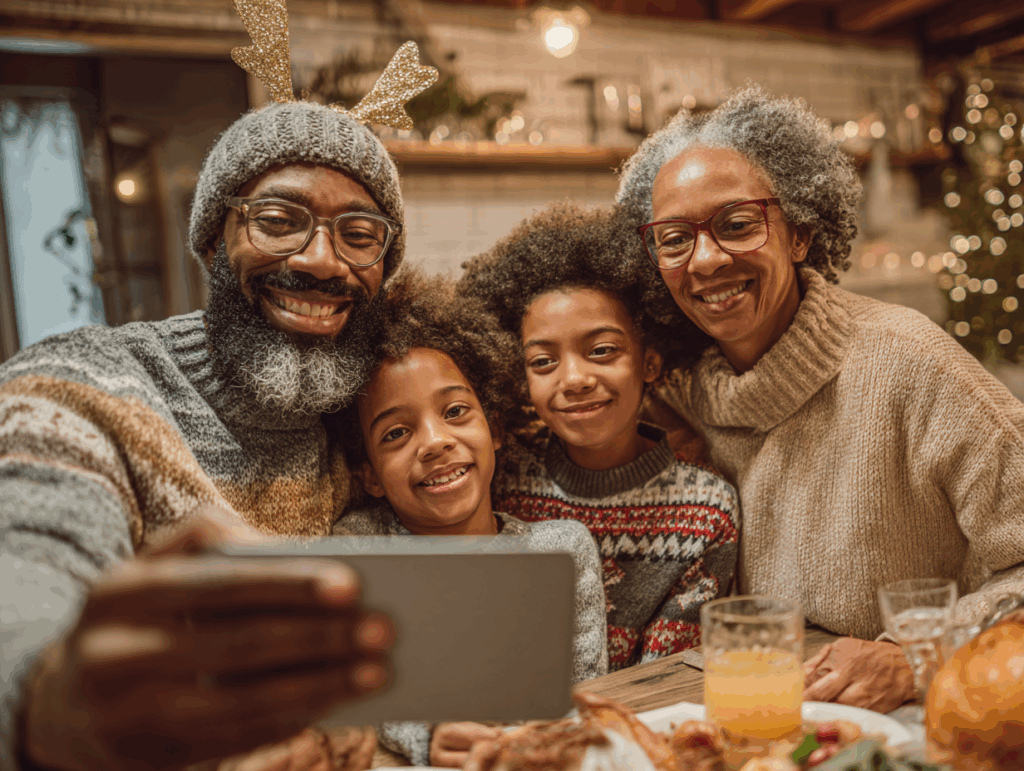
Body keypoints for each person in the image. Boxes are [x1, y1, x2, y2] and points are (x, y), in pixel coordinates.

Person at [0, 90, 415, 769]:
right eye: (279, 219)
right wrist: (47, 700)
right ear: (216, 238)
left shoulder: (367, 422)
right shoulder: (79, 383)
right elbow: (26, 561)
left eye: (359, 234)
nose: (320, 260)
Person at [615, 84, 1024, 713]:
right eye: (674, 238)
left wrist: (918, 654)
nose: (705, 259)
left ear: (800, 233)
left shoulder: (909, 364)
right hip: (755, 725)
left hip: (922, 727)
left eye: (737, 225)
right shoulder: (675, 390)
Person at [333, 268, 608, 768]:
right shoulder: (361, 547)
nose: (436, 441)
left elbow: (583, 695)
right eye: (395, 434)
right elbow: (353, 686)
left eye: (456, 412)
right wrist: (428, 731)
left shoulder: (561, 549)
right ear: (369, 475)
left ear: (495, 427)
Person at [458, 202, 740, 671]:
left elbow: (663, 680)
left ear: (650, 362)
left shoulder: (705, 510)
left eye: (602, 351)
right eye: (543, 362)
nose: (573, 378)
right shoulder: (496, 479)